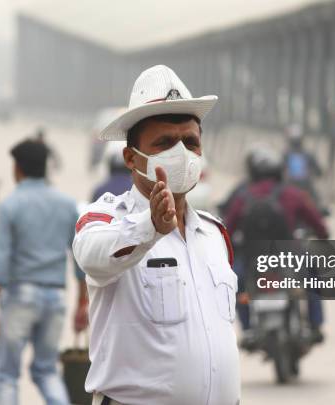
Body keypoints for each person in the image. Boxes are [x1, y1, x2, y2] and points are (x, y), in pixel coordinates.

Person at [73, 65, 240, 405]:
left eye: (190, 142)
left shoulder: (212, 233)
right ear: (131, 158)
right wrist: (150, 227)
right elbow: (92, 255)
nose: (181, 152)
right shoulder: (106, 218)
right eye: (165, 142)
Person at [0, 139, 87, 405]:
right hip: (55, 298)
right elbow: (79, 260)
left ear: (17, 168)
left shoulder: (9, 205)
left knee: (7, 375)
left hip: (20, 296)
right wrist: (82, 303)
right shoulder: (66, 205)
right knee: (46, 371)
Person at [224, 147, 330, 343]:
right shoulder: (293, 194)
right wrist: (323, 235)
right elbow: (316, 221)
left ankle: (247, 329)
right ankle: (316, 324)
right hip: (290, 258)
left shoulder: (243, 196)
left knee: (237, 285)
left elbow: (227, 230)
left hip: (252, 261)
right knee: (313, 277)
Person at [283, 124, 323, 203]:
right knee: (317, 203)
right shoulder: (308, 154)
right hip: (306, 185)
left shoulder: (286, 155)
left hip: (291, 185)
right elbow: (319, 171)